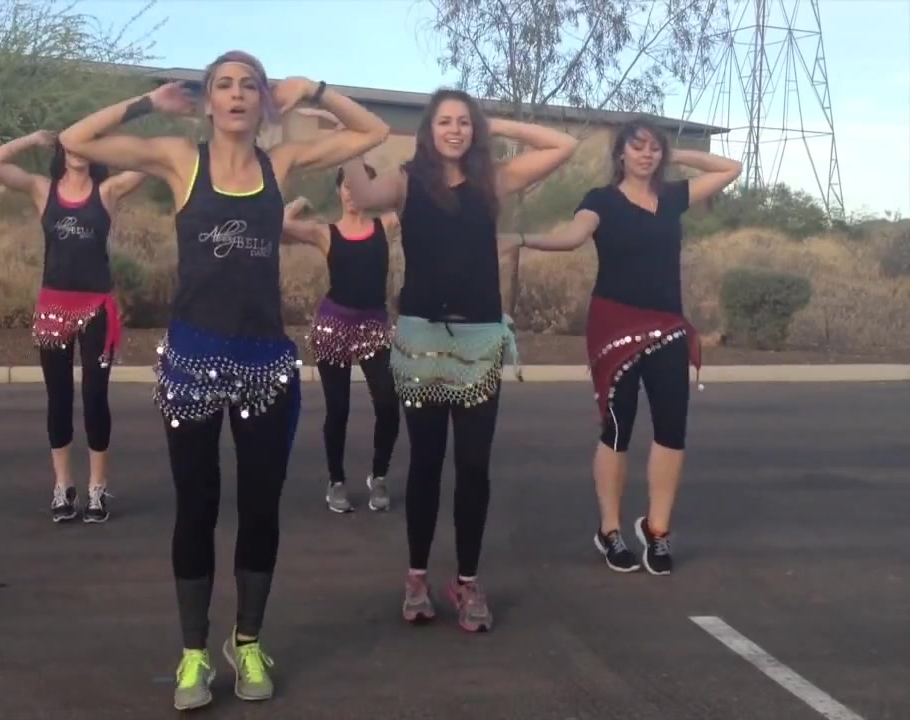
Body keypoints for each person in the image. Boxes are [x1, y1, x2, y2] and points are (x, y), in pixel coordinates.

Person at [60, 51, 389, 710]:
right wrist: (148, 104)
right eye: (224, 85)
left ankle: (248, 641)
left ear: (263, 101)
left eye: (249, 86)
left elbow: (373, 132)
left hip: (265, 363)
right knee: (197, 507)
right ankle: (193, 654)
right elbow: (76, 139)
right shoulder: (182, 161)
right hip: (191, 363)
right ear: (208, 100)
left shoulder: (281, 164)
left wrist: (315, 89)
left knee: (260, 508)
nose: (237, 95)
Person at [342, 88, 578, 633]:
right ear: (429, 129)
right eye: (445, 121)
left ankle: (467, 581)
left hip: (479, 341)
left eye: (464, 122)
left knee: (473, 465)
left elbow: (562, 145)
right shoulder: (407, 181)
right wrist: (349, 144)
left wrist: (495, 123)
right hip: (422, 338)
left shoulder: (492, 180)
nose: (455, 130)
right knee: (426, 462)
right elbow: (365, 194)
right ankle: (417, 578)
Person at [520, 119, 741, 576]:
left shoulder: (673, 197)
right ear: (620, 153)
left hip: (668, 325)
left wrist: (676, 155)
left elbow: (730, 168)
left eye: (654, 148)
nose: (646, 155)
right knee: (617, 427)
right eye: (637, 147)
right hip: (614, 324)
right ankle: (610, 529)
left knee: (672, 428)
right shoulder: (600, 200)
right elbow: (572, 237)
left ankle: (657, 530)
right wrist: (521, 240)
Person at [0, 130, 147, 524]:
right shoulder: (44, 190)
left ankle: (97, 489)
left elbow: (147, 163)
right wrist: (31, 139)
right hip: (53, 307)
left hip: (96, 308)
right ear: (61, 148)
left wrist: (110, 140)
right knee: (58, 398)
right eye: (70, 142)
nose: (77, 150)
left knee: (94, 396)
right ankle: (63, 486)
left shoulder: (106, 192)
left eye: (86, 142)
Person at [280, 164, 401, 515]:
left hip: (373, 328)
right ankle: (336, 481)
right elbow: (281, 224)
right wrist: (299, 204)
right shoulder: (326, 233)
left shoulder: (385, 225)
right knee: (338, 409)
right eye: (346, 186)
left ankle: (379, 476)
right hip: (334, 326)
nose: (351, 193)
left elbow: (417, 204)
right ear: (339, 191)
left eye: (358, 186)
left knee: (388, 403)